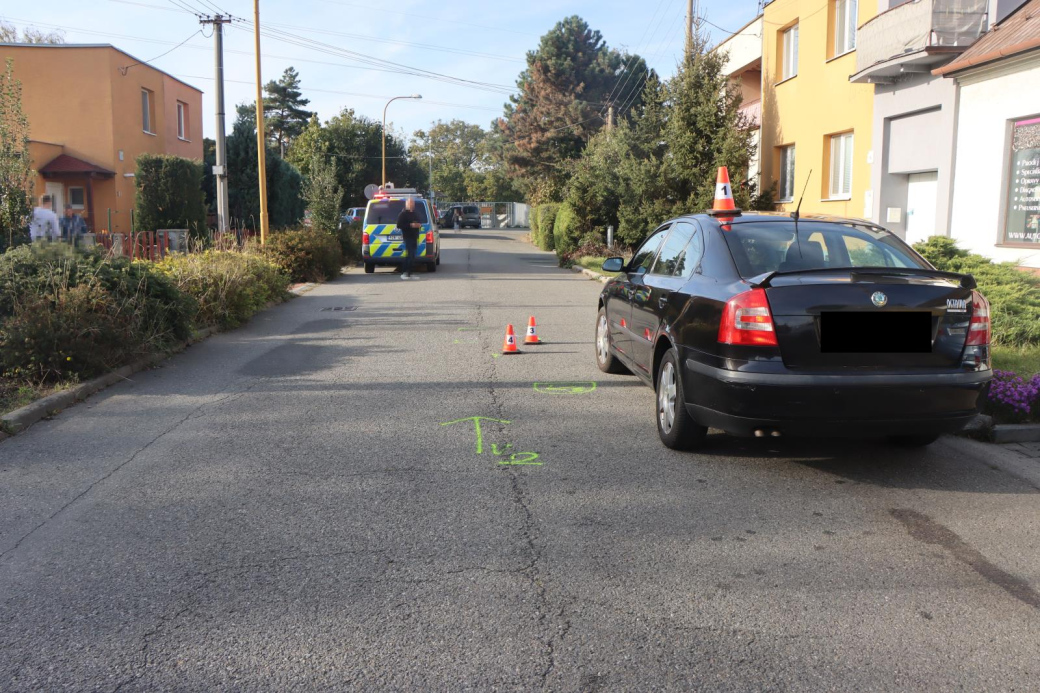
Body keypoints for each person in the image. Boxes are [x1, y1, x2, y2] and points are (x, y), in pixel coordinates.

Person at [396, 197, 423, 280]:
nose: (412, 205)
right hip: (408, 236)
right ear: (406, 204)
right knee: (410, 255)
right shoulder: (403, 214)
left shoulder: (415, 213)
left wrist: (419, 225)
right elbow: (399, 225)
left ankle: (410, 272)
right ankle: (405, 272)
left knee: (413, 255)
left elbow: (419, 222)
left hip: (415, 236)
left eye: (413, 203)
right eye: (410, 203)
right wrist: (410, 225)